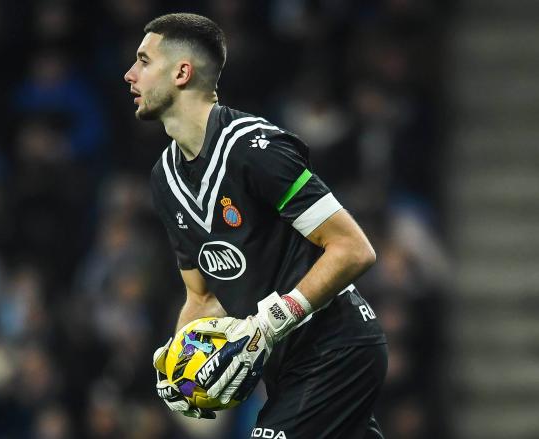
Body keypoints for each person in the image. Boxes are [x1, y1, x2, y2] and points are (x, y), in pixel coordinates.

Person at [124, 13, 387, 439]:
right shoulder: (163, 179)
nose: (129, 73)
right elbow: (203, 296)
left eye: (142, 60)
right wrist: (181, 365)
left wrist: (273, 320)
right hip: (285, 366)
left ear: (181, 72)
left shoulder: (254, 147)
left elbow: (353, 249)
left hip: (336, 344)